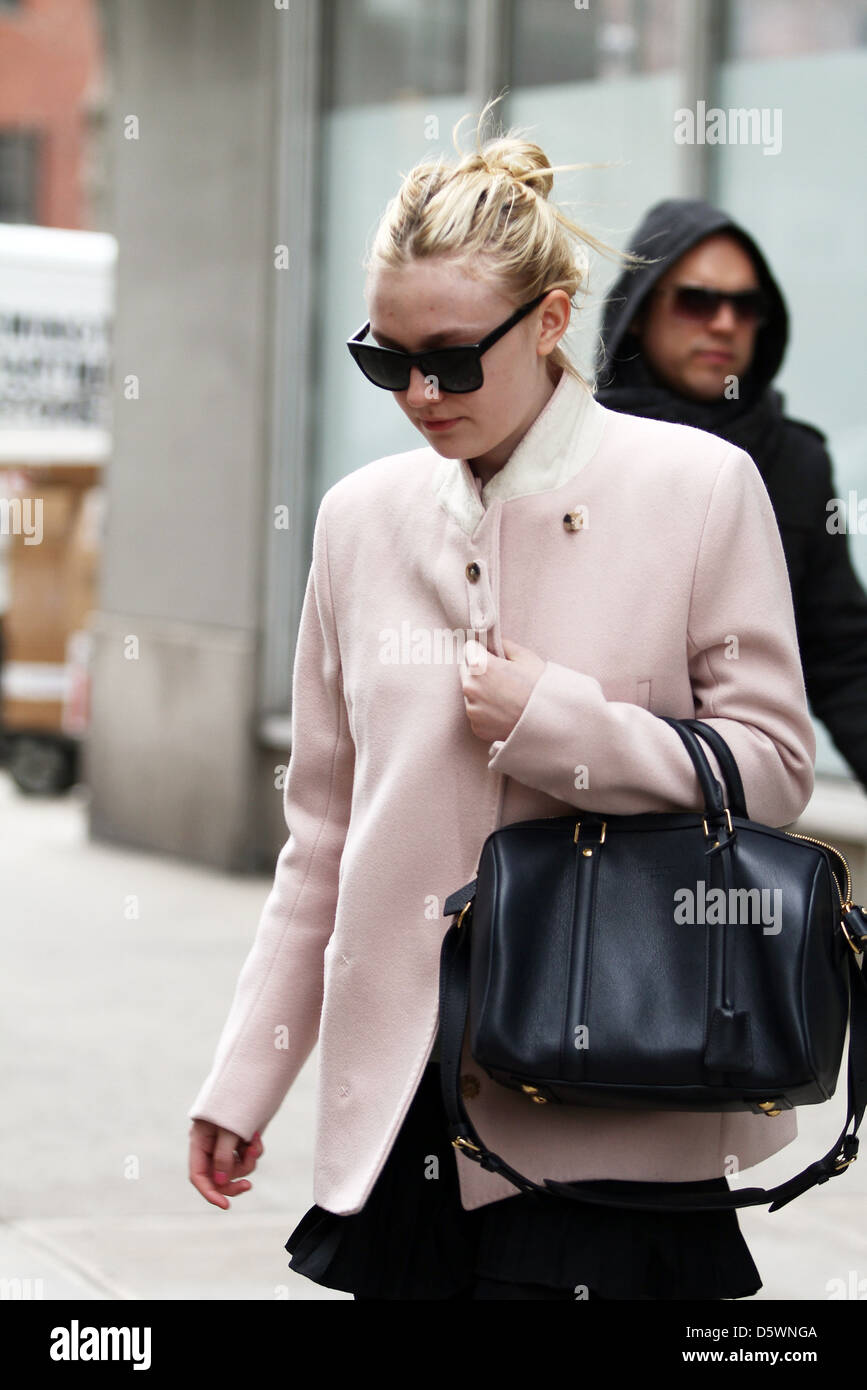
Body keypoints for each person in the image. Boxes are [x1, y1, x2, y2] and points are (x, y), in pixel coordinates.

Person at [186, 100, 816, 1301]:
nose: (421, 394)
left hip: (616, 1091)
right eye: (386, 359)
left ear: (555, 322)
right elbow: (320, 838)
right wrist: (245, 1076)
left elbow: (777, 762)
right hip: (406, 1108)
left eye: (454, 357)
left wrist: (566, 726)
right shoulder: (357, 520)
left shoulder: (699, 488)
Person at [596, 198, 867, 793]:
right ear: (639, 311)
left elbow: (844, 660)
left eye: (746, 307)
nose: (723, 323)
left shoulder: (795, 462)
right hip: (572, 822)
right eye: (697, 300)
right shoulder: (573, 448)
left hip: (730, 844)